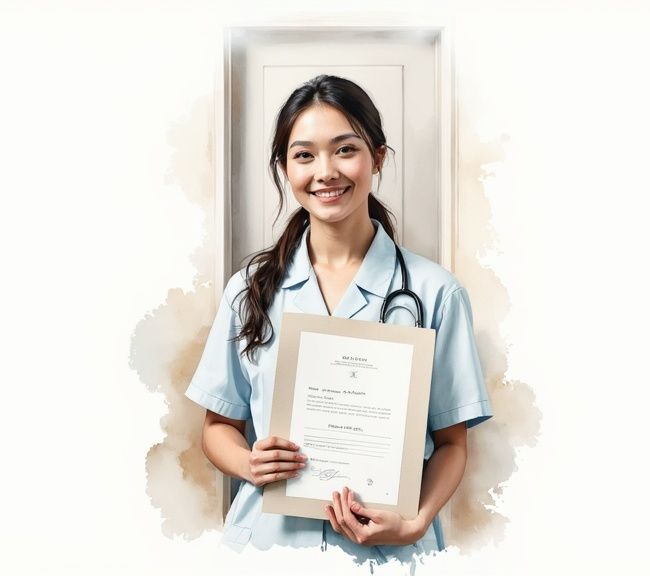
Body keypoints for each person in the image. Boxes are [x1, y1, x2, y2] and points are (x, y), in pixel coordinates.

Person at [184, 74, 492, 565]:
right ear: (285, 168)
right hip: (268, 550)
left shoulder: (436, 293)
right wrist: (249, 462)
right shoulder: (250, 289)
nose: (325, 171)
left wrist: (415, 522)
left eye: (345, 149)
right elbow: (217, 424)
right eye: (304, 155)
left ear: (378, 158)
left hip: (384, 555)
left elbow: (453, 441)